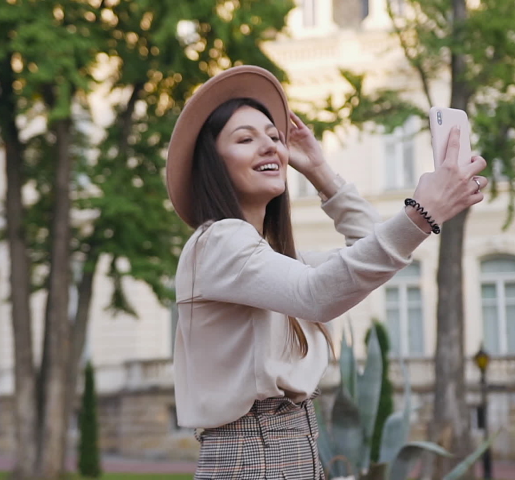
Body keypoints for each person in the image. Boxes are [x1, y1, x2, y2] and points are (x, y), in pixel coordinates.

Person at [165, 65, 487, 479]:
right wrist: (421, 215)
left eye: (274, 138)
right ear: (212, 163)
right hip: (251, 455)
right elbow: (319, 294)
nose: (270, 147)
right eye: (246, 139)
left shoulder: (267, 256)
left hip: (294, 447)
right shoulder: (219, 243)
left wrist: (319, 170)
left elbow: (366, 249)